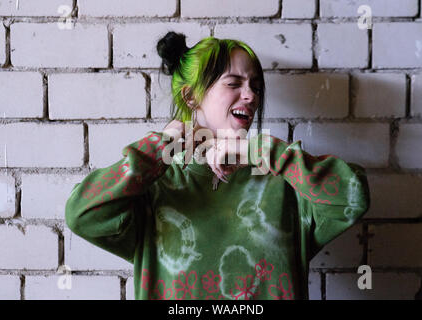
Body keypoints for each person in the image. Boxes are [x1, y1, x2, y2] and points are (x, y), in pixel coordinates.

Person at [65, 32, 370, 300]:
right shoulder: (153, 186)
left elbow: (352, 198)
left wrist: (261, 149)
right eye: (234, 83)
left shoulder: (286, 181)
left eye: (255, 86)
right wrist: (162, 145)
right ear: (191, 97)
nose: (250, 97)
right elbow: (82, 214)